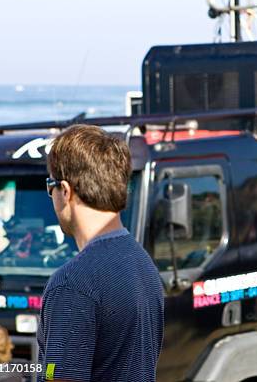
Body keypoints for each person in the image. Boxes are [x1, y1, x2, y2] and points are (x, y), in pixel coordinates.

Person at [38, 125, 164, 381]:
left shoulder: (73, 284)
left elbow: (58, 376)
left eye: (49, 185)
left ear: (65, 190)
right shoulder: (142, 263)